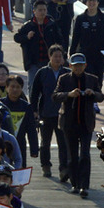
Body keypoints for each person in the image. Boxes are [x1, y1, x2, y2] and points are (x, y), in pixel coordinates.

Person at [53, 52, 104, 198]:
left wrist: (92, 93)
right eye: (75, 66)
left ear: (85, 66)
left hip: (86, 123)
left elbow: (101, 96)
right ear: (70, 66)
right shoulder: (64, 79)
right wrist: (68, 95)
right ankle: (75, 184)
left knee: (85, 155)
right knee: (72, 155)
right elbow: (55, 96)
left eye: (81, 65)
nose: (78, 68)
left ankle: (84, 186)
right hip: (69, 123)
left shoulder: (92, 79)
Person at [32, 45, 70, 180]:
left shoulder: (67, 72)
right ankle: (45, 165)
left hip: (62, 113)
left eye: (60, 56)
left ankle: (63, 168)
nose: (58, 59)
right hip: (46, 112)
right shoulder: (42, 72)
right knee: (45, 142)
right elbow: (34, 92)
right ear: (50, 57)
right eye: (55, 56)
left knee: (63, 142)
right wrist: (35, 111)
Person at [14, 0, 62, 92]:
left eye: (44, 10)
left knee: (51, 85)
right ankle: (33, 105)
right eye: (40, 10)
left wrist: (61, 56)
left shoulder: (52, 25)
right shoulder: (28, 25)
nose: (42, 12)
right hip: (33, 62)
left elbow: (60, 41)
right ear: (34, 11)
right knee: (32, 86)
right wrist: (27, 37)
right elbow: (17, 37)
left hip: (49, 61)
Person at [70, 0, 104, 87]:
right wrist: (72, 53)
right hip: (85, 54)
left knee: (98, 79)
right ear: (85, 2)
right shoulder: (80, 18)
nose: (91, 3)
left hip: (99, 54)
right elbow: (75, 37)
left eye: (94, 1)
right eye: (89, 0)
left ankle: (95, 99)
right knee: (85, 79)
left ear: (98, 2)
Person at [1, 75, 38, 164]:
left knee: (20, 170)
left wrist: (34, 150)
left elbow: (31, 129)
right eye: (12, 86)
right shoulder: (0, 105)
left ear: (21, 89)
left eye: (18, 87)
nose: (15, 90)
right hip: (2, 144)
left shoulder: (26, 106)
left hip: (20, 144)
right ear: (6, 88)